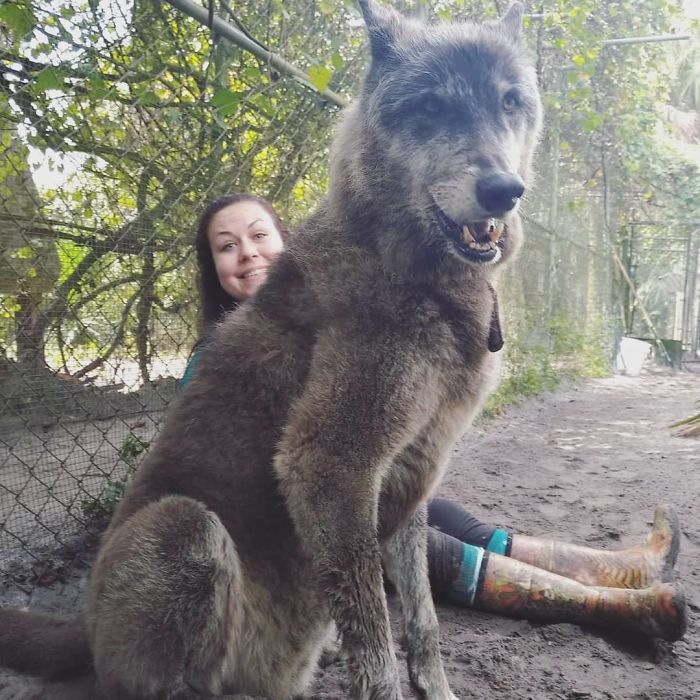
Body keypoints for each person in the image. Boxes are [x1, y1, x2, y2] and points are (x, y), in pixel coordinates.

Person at [181, 192, 687, 641]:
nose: (248, 253)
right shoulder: (213, 360)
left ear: (286, 243)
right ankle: (612, 606)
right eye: (227, 246)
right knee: (418, 539)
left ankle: (621, 568)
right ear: (214, 267)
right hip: (281, 528)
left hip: (339, 493)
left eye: (259, 235)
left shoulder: (327, 322)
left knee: (438, 511)